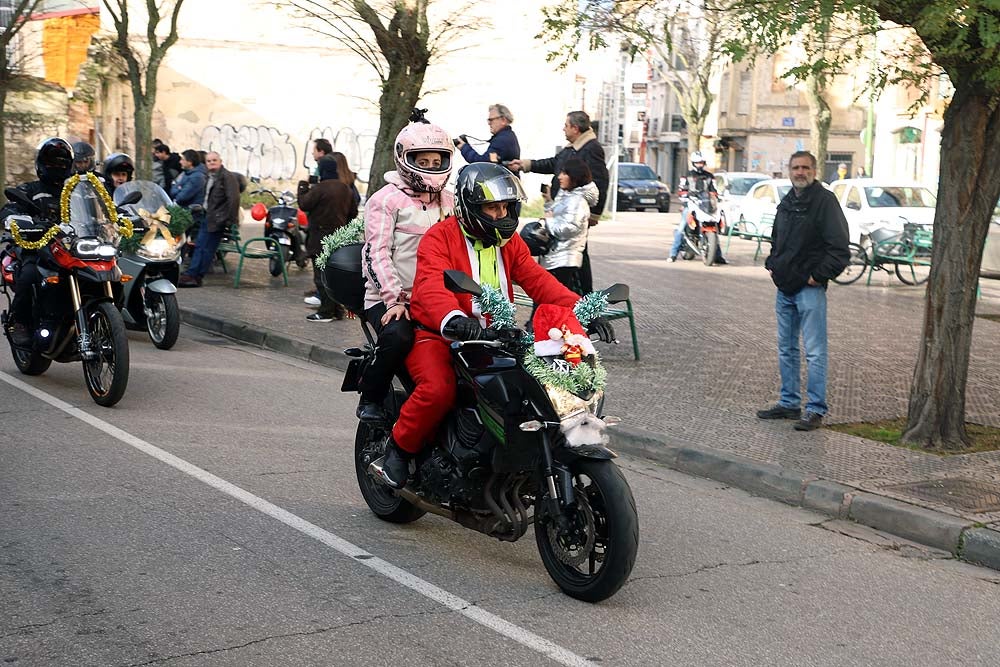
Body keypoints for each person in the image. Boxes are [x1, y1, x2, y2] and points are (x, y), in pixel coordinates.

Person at [376, 162, 616, 488]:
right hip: (437, 335)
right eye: (492, 207)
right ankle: (399, 449)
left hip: (496, 337)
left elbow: (538, 281)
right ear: (471, 207)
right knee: (438, 389)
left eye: (506, 206)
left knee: (532, 392)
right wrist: (455, 319)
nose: (501, 214)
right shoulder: (440, 238)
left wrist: (583, 310)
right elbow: (431, 287)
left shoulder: (509, 242)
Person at [356, 122, 456, 423]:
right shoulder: (385, 200)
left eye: (436, 161)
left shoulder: (449, 200)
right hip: (390, 298)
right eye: (422, 161)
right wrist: (394, 300)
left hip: (436, 298)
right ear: (405, 159)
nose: (430, 167)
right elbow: (377, 254)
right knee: (399, 336)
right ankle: (370, 395)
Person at [756, 151, 850, 431]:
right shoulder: (787, 201)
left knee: (815, 352)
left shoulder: (825, 202)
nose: (800, 172)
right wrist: (772, 263)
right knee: (786, 348)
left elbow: (840, 249)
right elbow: (777, 238)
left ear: (814, 170)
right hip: (784, 287)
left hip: (809, 289)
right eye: (795, 167)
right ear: (789, 170)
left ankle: (816, 409)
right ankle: (789, 403)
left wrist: (816, 277)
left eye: (805, 167)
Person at [509, 110, 609, 293]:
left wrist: (595, 214)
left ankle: (587, 306)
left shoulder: (591, 149)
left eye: (566, 125)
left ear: (575, 128)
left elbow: (601, 180)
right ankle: (575, 302)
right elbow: (553, 163)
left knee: (577, 259)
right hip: (562, 210)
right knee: (569, 260)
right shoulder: (572, 148)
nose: (563, 129)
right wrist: (526, 164)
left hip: (574, 213)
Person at [2, 138, 74, 348]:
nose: (57, 168)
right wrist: (14, 218)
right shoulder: (31, 189)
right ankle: (20, 321)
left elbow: (102, 209)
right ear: (42, 164)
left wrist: (122, 216)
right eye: (52, 163)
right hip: (36, 245)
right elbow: (11, 206)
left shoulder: (76, 190)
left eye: (62, 163)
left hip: (71, 247)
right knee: (30, 274)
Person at [297, 156, 358, 321]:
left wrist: (302, 186)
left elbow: (304, 204)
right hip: (338, 237)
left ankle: (325, 312)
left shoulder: (320, 188)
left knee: (320, 276)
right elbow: (353, 212)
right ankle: (336, 309)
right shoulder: (345, 188)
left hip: (320, 236)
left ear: (322, 170)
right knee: (332, 276)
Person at [178, 151, 240, 287]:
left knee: (205, 247)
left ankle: (194, 275)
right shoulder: (210, 176)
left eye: (214, 160)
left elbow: (233, 199)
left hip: (217, 218)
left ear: (220, 161)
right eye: (209, 161)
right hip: (208, 215)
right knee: (201, 246)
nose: (211, 163)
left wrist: (229, 220)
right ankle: (193, 274)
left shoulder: (226, 177)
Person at [538, 157, 596, 293]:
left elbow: (568, 229)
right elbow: (557, 217)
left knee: (550, 301)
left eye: (564, 173)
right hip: (556, 257)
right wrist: (548, 203)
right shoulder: (567, 196)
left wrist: (548, 221)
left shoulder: (577, 201)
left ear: (575, 176)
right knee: (547, 301)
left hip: (564, 260)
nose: (559, 177)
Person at [669, 151, 726, 264]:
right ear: (693, 163)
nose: (700, 165)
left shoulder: (709, 176)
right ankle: (673, 254)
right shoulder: (687, 175)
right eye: (698, 163)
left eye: (701, 163)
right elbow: (681, 189)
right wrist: (684, 196)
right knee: (681, 228)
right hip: (690, 204)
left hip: (705, 204)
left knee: (714, 226)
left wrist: (717, 196)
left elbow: (713, 190)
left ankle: (718, 256)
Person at [455, 103, 520, 167]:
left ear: (503, 120)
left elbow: (483, 164)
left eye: (491, 120)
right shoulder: (508, 136)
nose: (489, 123)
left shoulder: (502, 140)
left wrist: (463, 147)